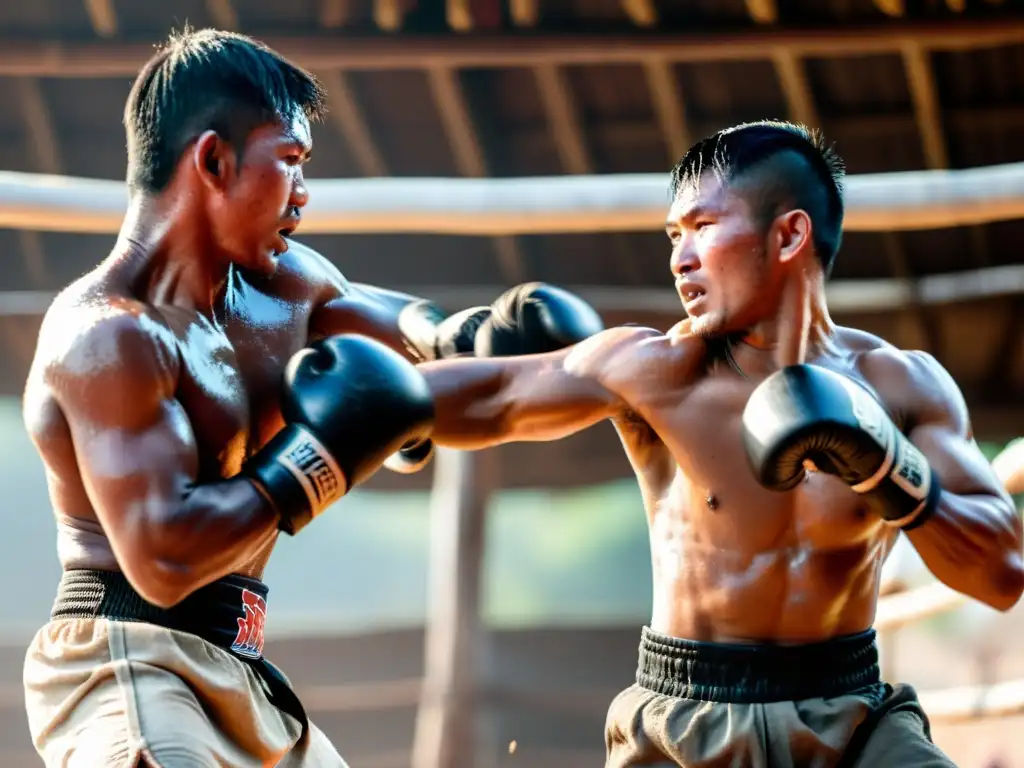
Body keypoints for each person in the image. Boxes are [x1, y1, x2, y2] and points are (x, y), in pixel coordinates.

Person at [20, 28, 603, 768]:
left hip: (244, 672)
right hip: (127, 663)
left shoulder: (285, 289)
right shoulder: (110, 337)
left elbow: (434, 357)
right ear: (213, 161)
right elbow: (163, 559)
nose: (304, 195)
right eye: (290, 162)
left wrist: (592, 362)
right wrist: (320, 456)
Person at [413, 121, 1024, 767]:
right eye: (674, 236)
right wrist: (390, 387)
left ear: (789, 234)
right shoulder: (654, 369)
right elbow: (489, 397)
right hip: (686, 719)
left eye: (702, 228)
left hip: (852, 717)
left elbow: (1002, 574)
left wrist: (885, 468)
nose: (680, 258)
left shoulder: (901, 385)